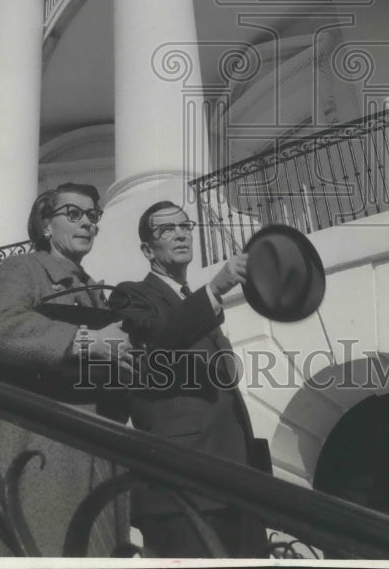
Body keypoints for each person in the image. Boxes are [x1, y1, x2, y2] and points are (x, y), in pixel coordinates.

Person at [0, 182, 134, 557]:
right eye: (73, 214)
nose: (87, 223)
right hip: (39, 442)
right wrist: (88, 341)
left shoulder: (94, 288)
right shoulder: (23, 267)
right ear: (46, 225)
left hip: (97, 441)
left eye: (93, 216)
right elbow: (3, 329)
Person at [108, 200, 267, 558]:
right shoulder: (130, 294)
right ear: (148, 249)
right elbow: (155, 348)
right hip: (180, 481)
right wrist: (213, 291)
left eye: (184, 226)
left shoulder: (194, 303)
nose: (180, 233)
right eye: (166, 229)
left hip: (236, 480)